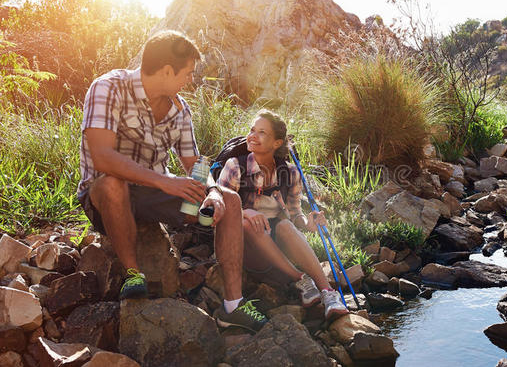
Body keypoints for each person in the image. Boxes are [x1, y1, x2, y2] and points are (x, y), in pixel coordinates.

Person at [77, 30, 267, 331]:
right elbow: (102, 157)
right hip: (103, 196)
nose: (190, 81)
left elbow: (196, 162)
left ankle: (233, 304)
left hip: (154, 198)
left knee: (229, 201)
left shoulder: (181, 110)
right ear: (166, 70)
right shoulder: (108, 87)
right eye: (187, 73)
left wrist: (213, 190)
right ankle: (133, 275)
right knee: (114, 184)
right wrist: (163, 181)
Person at [216, 110, 349, 320]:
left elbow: (295, 214)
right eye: (252, 130)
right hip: (247, 250)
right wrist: (244, 212)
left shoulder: (290, 173)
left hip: (279, 247)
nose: (252, 136)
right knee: (249, 224)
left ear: (277, 143)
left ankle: (328, 294)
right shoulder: (235, 167)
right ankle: (302, 279)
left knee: (286, 226)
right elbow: (219, 206)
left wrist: (309, 223)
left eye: (262, 133)